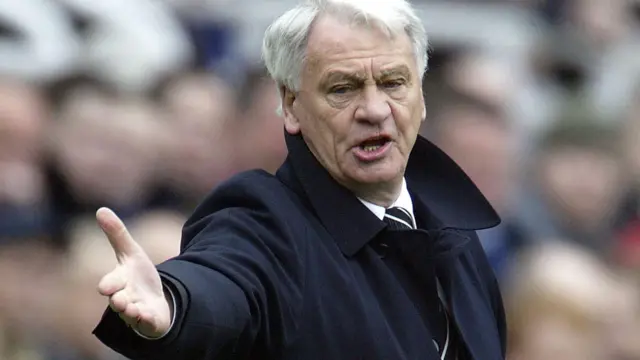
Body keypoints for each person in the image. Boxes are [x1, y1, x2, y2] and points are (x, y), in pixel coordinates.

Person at [92, 0, 506, 359]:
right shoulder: (265, 220)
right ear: (291, 106)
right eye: (343, 89)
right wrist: (174, 304)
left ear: (421, 96)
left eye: (394, 83)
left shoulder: (454, 230)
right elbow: (224, 282)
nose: (375, 109)